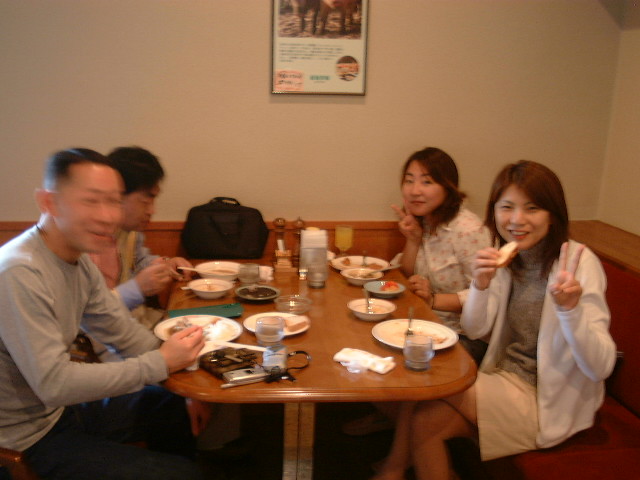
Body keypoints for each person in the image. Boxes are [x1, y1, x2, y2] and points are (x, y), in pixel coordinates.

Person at [372, 160, 617, 480]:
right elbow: (476, 329)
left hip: (548, 399)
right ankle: (396, 471)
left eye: (532, 208)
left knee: (424, 385)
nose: (517, 219)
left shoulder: (578, 264)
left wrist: (571, 311)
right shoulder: (509, 258)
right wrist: (480, 284)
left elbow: (601, 367)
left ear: (553, 214)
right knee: (424, 419)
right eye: (507, 207)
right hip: (504, 377)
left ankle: (391, 472)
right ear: (494, 211)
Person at [0, 148, 208, 479]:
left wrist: (181, 375)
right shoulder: (18, 271)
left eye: (113, 201)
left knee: (170, 406)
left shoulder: (79, 261)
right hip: (24, 439)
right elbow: (54, 384)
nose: (108, 216)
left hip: (60, 413)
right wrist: (160, 363)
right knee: (182, 475)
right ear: (48, 202)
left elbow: (121, 332)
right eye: (91, 201)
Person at [344, 147, 491, 437]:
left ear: (448, 187)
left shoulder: (468, 230)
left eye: (427, 181)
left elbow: (487, 296)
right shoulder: (427, 220)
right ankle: (398, 419)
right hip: (424, 323)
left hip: (463, 335)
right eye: (409, 180)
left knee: (392, 361)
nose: (415, 190)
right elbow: (407, 275)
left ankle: (403, 432)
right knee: (361, 341)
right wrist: (412, 239)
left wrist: (434, 299)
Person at [88, 146, 193, 331]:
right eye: (146, 201)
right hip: (106, 337)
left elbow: (137, 261)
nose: (152, 211)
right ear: (117, 194)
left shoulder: (129, 232)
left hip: (136, 324)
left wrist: (166, 263)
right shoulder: (84, 243)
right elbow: (86, 316)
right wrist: (136, 289)